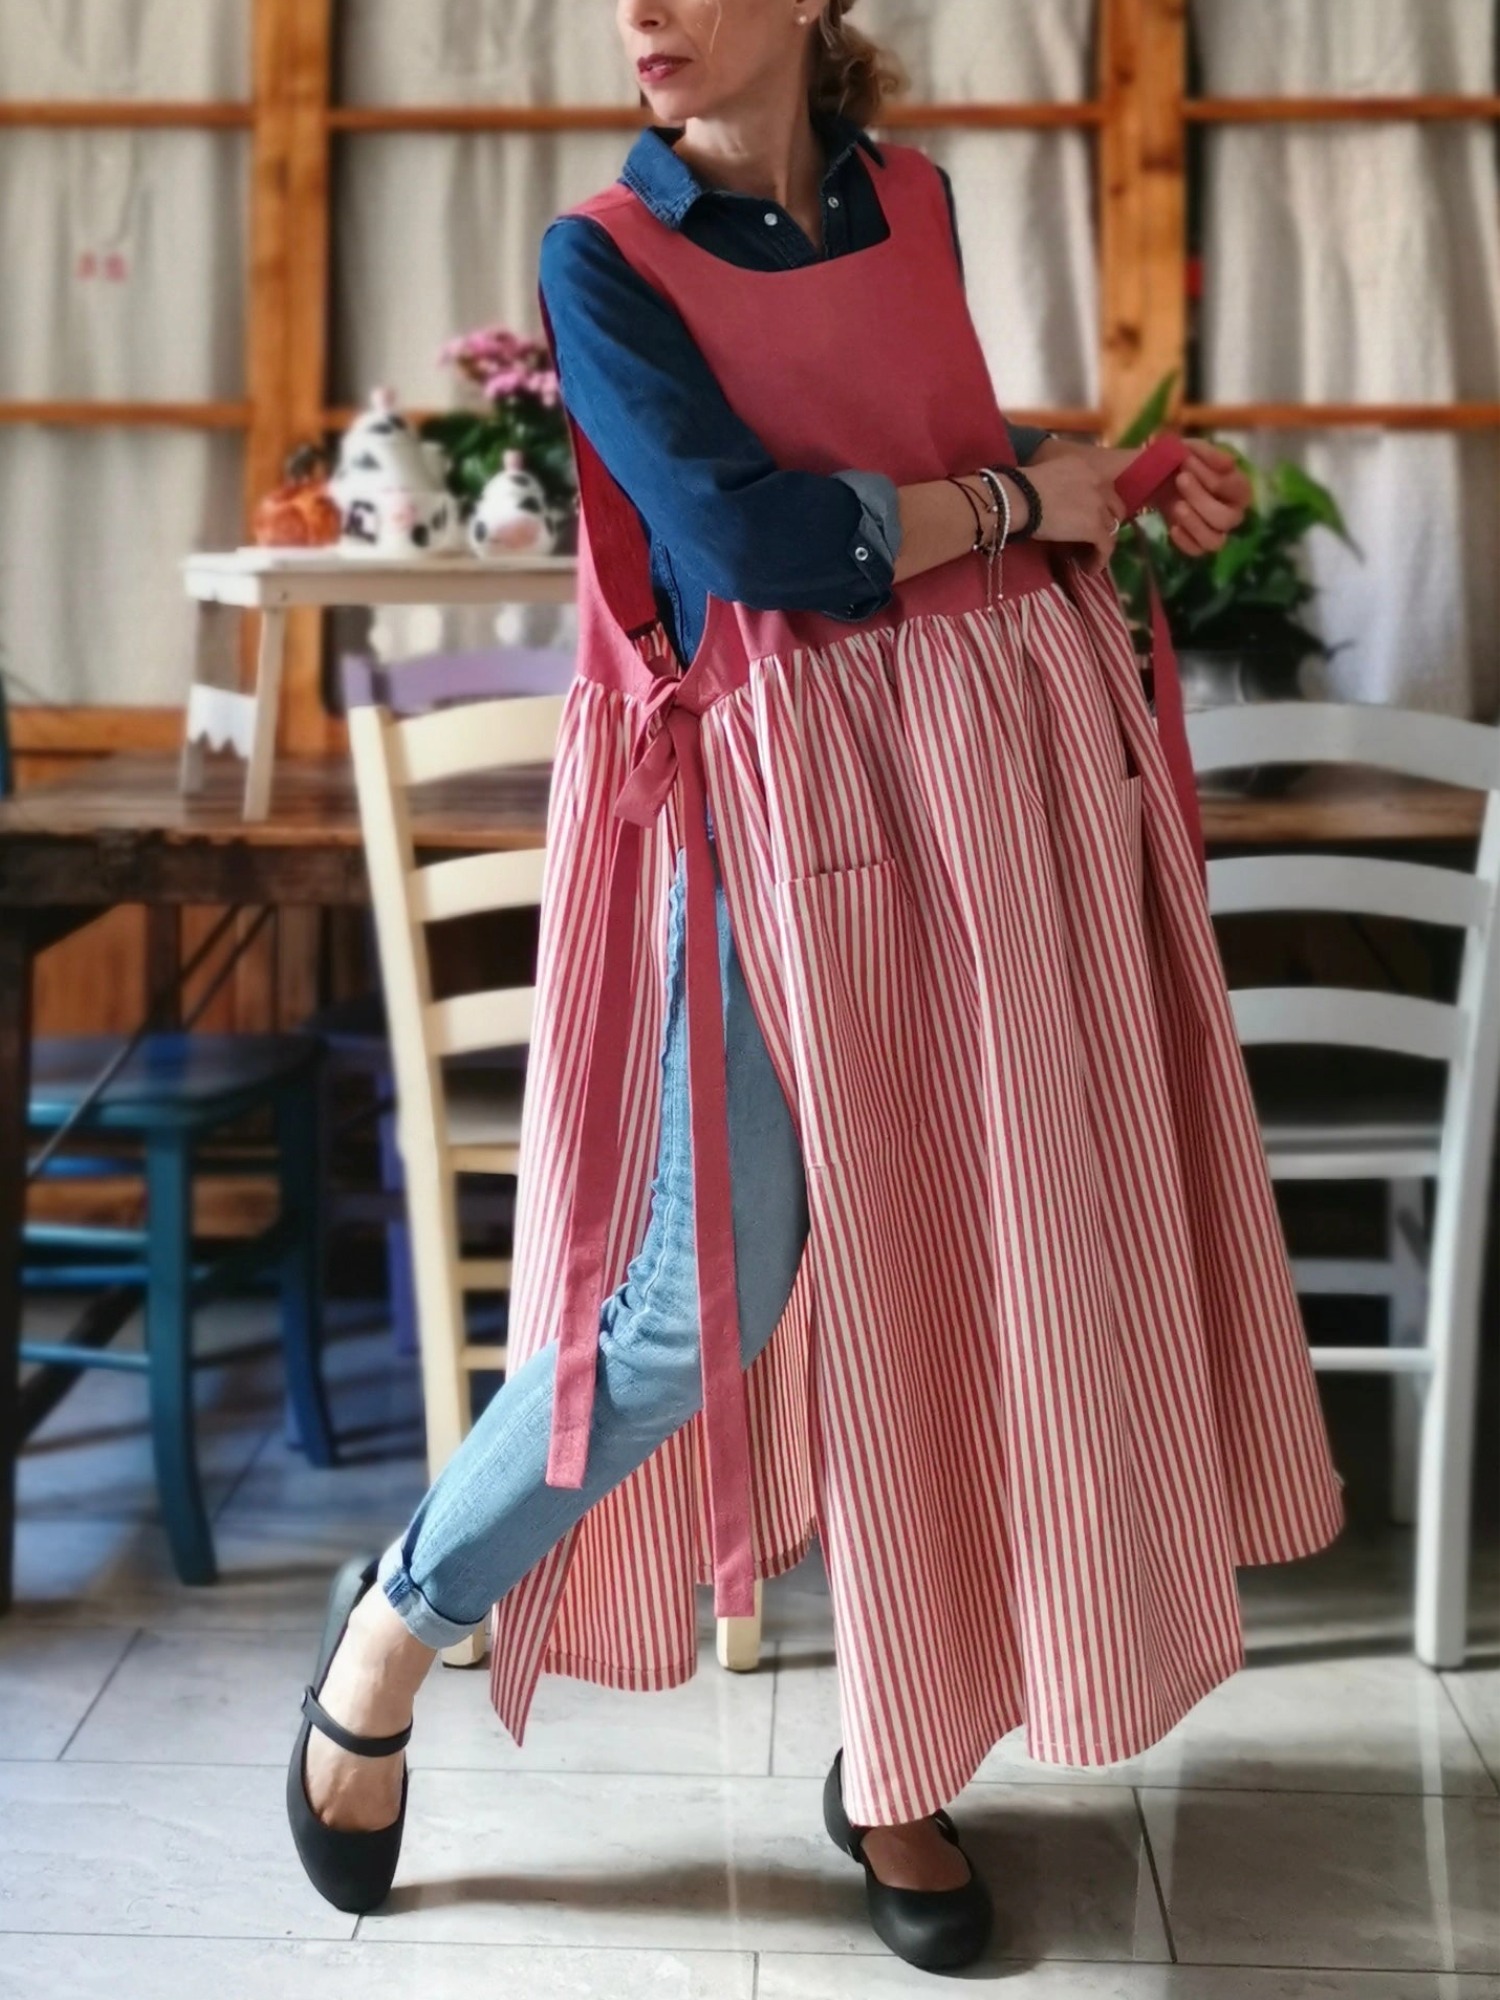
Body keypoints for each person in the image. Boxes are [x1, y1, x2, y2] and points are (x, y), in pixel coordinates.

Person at [286, 0, 1345, 1972]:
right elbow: (759, 542)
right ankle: (395, 1626)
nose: (643, 14)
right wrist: (1016, 505)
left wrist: (1101, 475)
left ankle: (899, 1764)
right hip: (769, 807)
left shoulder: (913, 202)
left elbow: (925, 476)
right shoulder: (603, 259)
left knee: (969, 1265)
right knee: (698, 1304)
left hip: (982, 780)